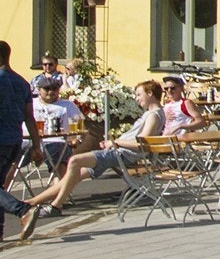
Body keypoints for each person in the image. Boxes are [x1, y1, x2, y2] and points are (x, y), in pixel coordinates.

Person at [26, 80, 165, 218]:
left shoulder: (153, 115)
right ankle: (31, 202)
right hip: (119, 152)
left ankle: (56, 206)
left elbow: (142, 144)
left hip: (124, 154)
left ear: (150, 93)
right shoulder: (153, 113)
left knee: (75, 160)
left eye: (139, 94)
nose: (137, 98)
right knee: (75, 175)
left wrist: (116, 142)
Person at [0, 40, 42, 243]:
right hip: (15, 141)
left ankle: (23, 210)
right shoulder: (22, 83)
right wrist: (36, 146)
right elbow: (29, 117)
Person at [29, 80, 84, 171]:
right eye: (46, 89)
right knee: (14, 155)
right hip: (31, 142)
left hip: (58, 141)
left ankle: (60, 180)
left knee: (57, 155)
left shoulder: (67, 105)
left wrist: (77, 139)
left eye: (54, 89)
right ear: (39, 90)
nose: (51, 92)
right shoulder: (30, 104)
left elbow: (81, 123)